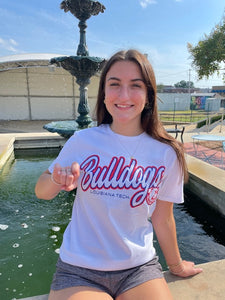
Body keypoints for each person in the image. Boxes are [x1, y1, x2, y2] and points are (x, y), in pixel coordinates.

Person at [35, 49, 203, 300]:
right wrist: (56, 180)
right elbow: (41, 192)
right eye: (115, 85)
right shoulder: (83, 141)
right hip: (80, 270)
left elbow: (163, 218)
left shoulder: (167, 153)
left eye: (135, 85)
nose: (124, 95)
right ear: (104, 94)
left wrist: (176, 265)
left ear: (148, 95)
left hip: (138, 269)